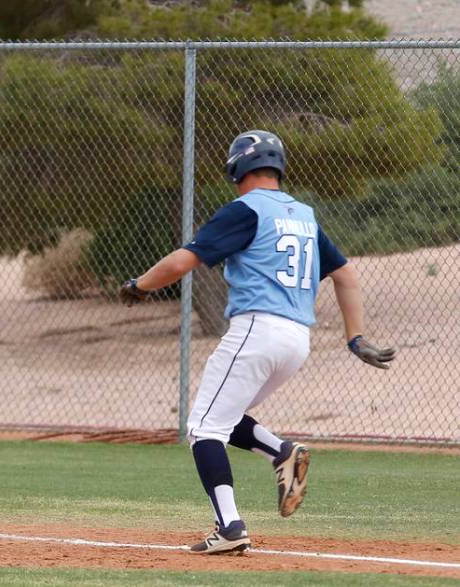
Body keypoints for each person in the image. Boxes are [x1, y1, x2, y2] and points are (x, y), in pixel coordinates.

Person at [120, 130, 396, 555]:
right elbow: (345, 276)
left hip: (256, 330)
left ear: (237, 168)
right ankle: (282, 452)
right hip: (296, 341)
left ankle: (230, 526)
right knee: (223, 418)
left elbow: (183, 260)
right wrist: (355, 337)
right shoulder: (304, 216)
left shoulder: (245, 210)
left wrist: (139, 285)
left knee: (203, 429)